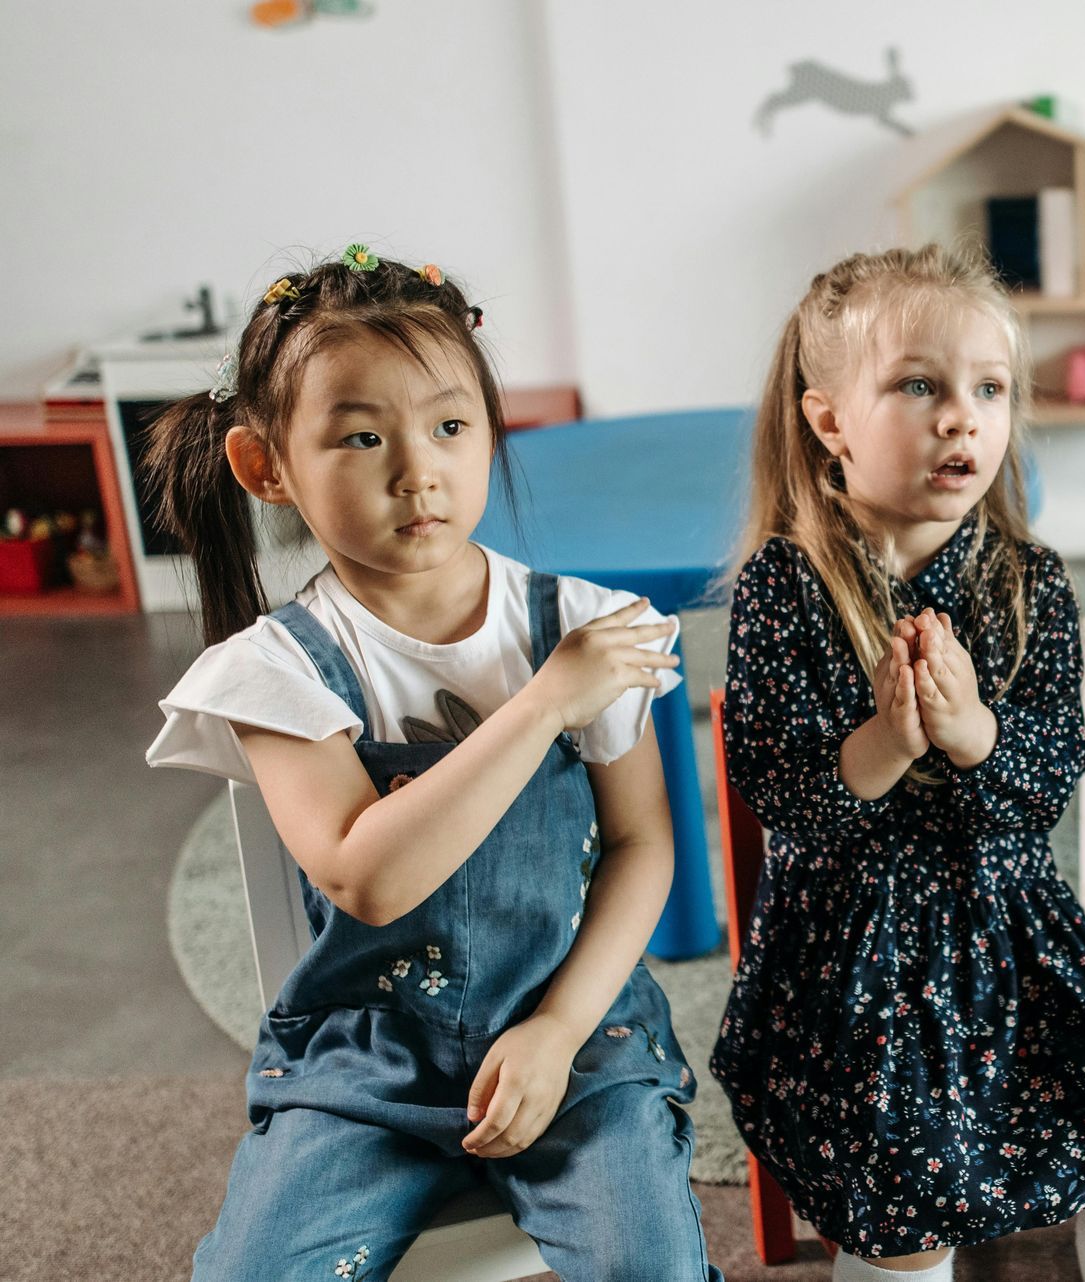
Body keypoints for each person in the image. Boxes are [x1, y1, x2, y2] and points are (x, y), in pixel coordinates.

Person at [145, 247, 719, 1281]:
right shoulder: (274, 671)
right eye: (362, 437)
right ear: (263, 464)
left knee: (652, 1269)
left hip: (576, 1034)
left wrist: (555, 1029)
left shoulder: (584, 625)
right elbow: (370, 876)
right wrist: (547, 700)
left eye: (450, 426)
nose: (418, 471)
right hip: (365, 1061)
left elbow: (643, 846)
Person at [711, 243, 1085, 1282]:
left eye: (989, 389)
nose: (962, 416)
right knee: (911, 1182)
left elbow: (1047, 782)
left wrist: (975, 731)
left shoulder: (1031, 580)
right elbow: (785, 800)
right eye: (919, 385)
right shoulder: (785, 588)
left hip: (1008, 920)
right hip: (852, 946)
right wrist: (886, 741)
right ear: (830, 418)